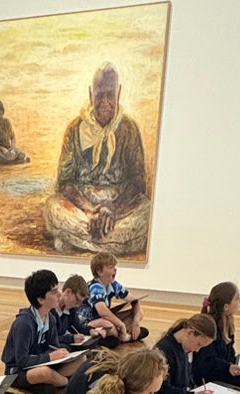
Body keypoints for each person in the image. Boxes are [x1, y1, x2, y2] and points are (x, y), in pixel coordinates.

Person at [43, 62, 149, 256]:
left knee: (146, 213)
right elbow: (65, 182)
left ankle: (75, 240)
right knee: (52, 207)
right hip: (81, 205)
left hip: (119, 206)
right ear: (90, 93)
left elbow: (137, 181)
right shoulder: (75, 129)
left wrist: (114, 209)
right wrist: (90, 210)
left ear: (119, 92)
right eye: (100, 95)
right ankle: (107, 244)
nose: (105, 102)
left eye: (110, 94)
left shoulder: (129, 129)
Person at [1, 269, 86, 394]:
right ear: (41, 299)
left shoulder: (50, 318)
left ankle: (54, 382)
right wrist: (50, 357)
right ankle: (67, 383)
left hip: (41, 362)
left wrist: (62, 354)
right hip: (18, 370)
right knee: (45, 373)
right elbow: (22, 361)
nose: (59, 294)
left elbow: (54, 346)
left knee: (81, 359)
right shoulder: (24, 324)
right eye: (54, 292)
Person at [154, 314, 224, 394]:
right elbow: (163, 391)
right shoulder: (164, 350)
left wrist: (194, 391)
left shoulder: (186, 347)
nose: (197, 350)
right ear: (190, 333)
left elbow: (188, 376)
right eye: (199, 345)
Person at [194, 281, 240, 391]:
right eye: (237, 299)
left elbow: (229, 352)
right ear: (226, 306)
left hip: (226, 365)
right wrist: (228, 367)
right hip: (213, 373)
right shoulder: (210, 327)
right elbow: (207, 362)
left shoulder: (227, 321)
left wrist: (236, 362)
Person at [80, 251, 147, 343]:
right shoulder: (95, 286)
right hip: (87, 323)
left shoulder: (113, 285)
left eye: (114, 267)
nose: (115, 270)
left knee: (136, 313)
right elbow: (103, 311)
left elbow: (135, 301)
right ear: (100, 272)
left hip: (101, 319)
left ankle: (121, 334)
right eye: (111, 267)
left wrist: (135, 322)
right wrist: (121, 325)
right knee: (107, 324)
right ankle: (125, 336)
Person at [50, 274, 116, 348]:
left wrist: (90, 330)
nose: (77, 305)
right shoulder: (51, 309)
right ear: (68, 292)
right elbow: (51, 339)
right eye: (77, 300)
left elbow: (78, 326)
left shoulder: (70, 309)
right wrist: (72, 338)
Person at [0, 99, 30, 164]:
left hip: (8, 147)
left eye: (0, 110)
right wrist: (3, 150)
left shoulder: (6, 122)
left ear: (2, 111)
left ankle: (14, 160)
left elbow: (13, 137)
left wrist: (12, 149)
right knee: (2, 157)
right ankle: (15, 161)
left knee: (21, 154)